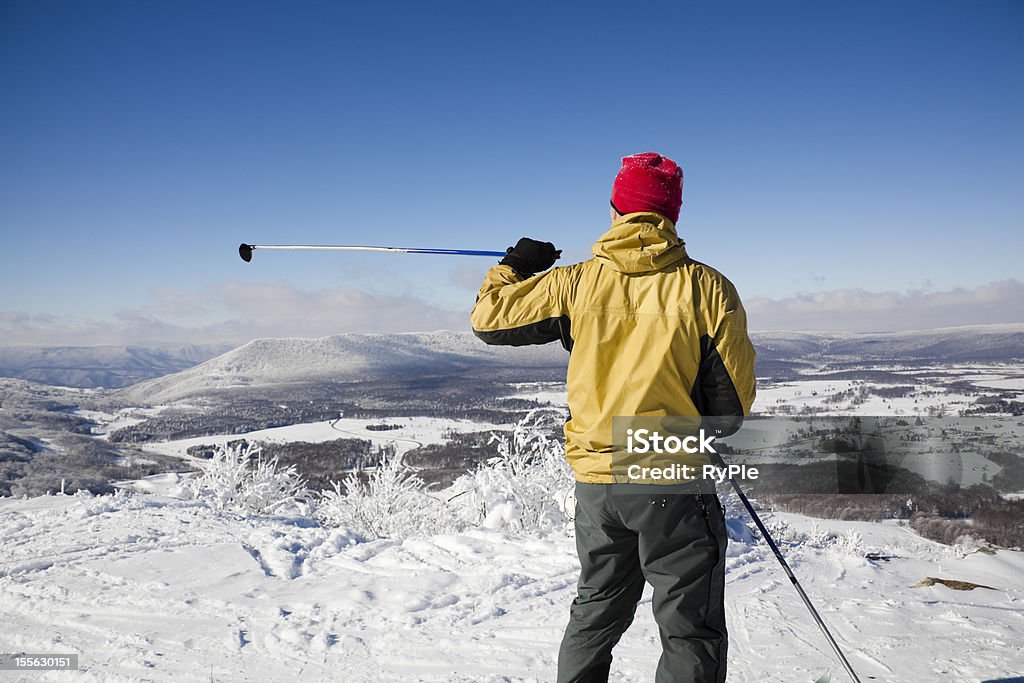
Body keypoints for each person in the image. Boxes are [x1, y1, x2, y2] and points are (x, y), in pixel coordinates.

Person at [470, 152, 756, 683]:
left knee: (596, 610)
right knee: (688, 627)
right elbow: (732, 405)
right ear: (672, 214)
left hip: (597, 482)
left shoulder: (575, 283)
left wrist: (517, 265)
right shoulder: (708, 288)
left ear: (615, 208)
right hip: (670, 478)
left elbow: (489, 319)